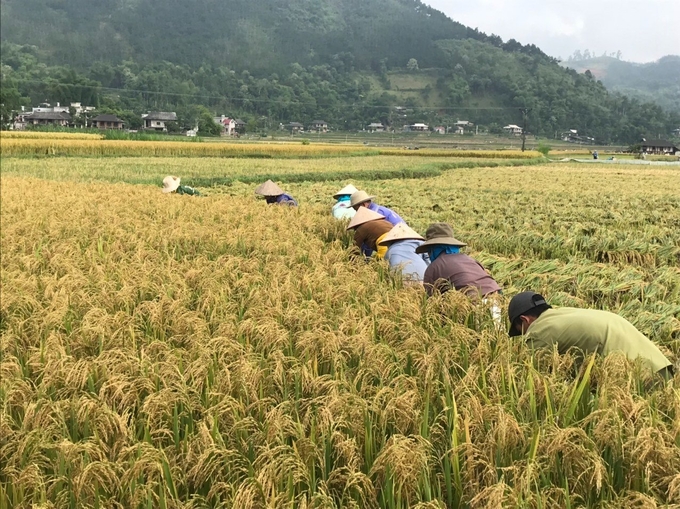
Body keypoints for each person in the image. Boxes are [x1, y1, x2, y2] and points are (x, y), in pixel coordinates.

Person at [508, 291, 674, 379]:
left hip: (641, 376)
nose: (524, 336)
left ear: (525, 320)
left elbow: (531, 377)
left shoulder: (540, 331)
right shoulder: (562, 314)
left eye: (519, 330)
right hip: (660, 366)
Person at [416, 223, 501, 299]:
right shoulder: (469, 259)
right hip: (496, 295)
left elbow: (430, 300)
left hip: (473, 301)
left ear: (433, 249)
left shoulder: (434, 267)